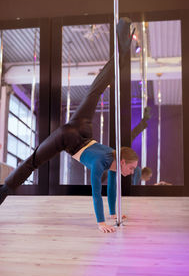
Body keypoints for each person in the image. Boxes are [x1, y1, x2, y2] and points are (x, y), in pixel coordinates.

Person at [0, 17, 138, 233]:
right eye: (130, 168)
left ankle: (121, 51)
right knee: (33, 161)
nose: (131, 172)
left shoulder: (113, 158)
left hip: (82, 130)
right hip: (68, 138)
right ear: (122, 162)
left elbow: (111, 189)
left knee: (95, 90)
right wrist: (101, 223)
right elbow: (96, 192)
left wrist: (113, 213)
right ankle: (3, 190)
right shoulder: (103, 161)